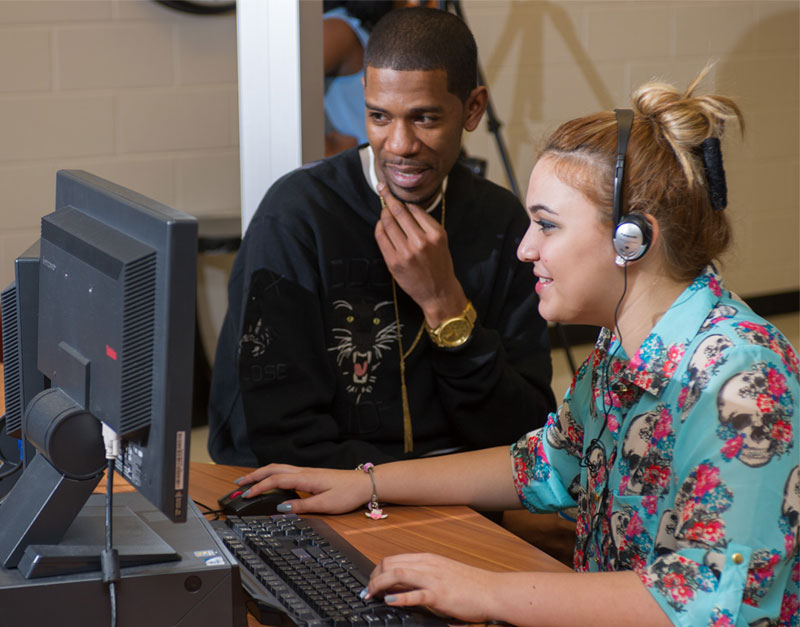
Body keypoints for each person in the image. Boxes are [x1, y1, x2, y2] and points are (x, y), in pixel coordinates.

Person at [233, 69, 800, 626]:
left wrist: (486, 591)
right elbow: (540, 464)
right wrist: (367, 480)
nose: (525, 248)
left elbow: (705, 603)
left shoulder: (741, 381)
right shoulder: (624, 346)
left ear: (633, 238)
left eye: (547, 226)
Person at [208, 7, 556, 469]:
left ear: (472, 109)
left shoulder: (502, 222)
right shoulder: (298, 216)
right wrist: (400, 489)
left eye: (425, 118)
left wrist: (446, 306)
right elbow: (265, 433)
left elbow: (524, 432)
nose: (399, 144)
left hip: (464, 500)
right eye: (379, 116)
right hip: (334, 499)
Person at [322, 1, 399, 156]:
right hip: (362, 167)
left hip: (371, 167)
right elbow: (282, 89)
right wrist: (329, 148)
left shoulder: (342, 29)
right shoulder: (339, 29)